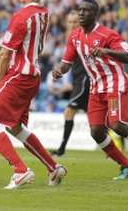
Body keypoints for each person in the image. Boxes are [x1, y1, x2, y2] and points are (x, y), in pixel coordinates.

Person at [53, 0, 128, 180]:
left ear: (95, 15)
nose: (81, 13)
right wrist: (59, 70)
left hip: (114, 83)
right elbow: (66, 63)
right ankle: (126, 165)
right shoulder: (74, 36)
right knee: (96, 131)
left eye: (86, 11)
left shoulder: (107, 34)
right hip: (96, 87)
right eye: (79, 10)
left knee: (116, 124)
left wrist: (106, 51)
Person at [0, 0, 67, 190]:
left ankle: (20, 171)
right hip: (33, 76)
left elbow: (4, 55)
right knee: (15, 127)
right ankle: (53, 167)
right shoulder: (43, 13)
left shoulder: (20, 17)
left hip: (18, 75)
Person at [51, 11, 90, 157]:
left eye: (75, 22)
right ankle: (118, 142)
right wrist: (60, 70)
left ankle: (61, 149)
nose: (72, 25)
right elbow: (67, 62)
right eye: (70, 22)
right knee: (96, 121)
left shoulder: (83, 37)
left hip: (85, 81)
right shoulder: (71, 38)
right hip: (78, 80)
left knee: (69, 112)